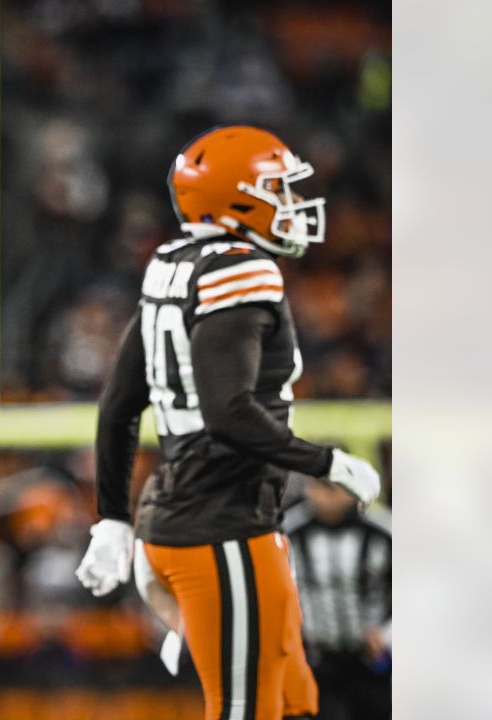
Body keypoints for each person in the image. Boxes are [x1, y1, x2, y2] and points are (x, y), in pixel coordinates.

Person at [75, 126, 382, 720]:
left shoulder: (172, 264)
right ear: (236, 198)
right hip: (222, 531)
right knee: (248, 710)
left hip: (188, 523)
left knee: (297, 703)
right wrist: (329, 463)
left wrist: (113, 518)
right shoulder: (243, 270)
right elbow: (229, 413)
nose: (291, 206)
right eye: (277, 190)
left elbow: (118, 406)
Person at [285, 477, 392, 720]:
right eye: (321, 486)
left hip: (370, 658)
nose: (327, 496)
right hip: (314, 657)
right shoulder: (289, 532)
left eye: (336, 488)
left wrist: (386, 634)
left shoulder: (383, 530)